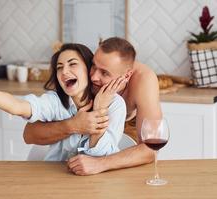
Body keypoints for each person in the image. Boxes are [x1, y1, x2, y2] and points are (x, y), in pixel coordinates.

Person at [23, 37, 162, 175]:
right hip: (78, 130)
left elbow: (150, 149)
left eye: (104, 73)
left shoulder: (144, 80)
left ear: (127, 76)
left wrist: (101, 163)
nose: (94, 77)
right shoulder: (78, 74)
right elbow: (29, 134)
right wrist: (72, 125)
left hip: (129, 127)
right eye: (93, 65)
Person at [0, 43, 127, 161]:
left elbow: (105, 156)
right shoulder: (54, 101)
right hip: (54, 178)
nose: (64, 72)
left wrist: (99, 109)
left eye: (72, 64)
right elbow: (17, 106)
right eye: (59, 67)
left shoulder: (115, 104)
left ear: (88, 69)